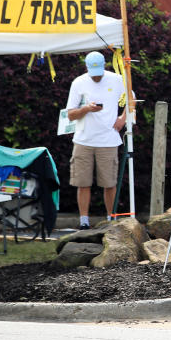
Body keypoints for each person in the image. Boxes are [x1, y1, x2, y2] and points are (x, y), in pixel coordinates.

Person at [66, 51, 127, 230]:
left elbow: (131, 101)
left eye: (99, 72)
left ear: (105, 66)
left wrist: (123, 119)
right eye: (94, 73)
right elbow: (70, 114)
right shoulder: (78, 82)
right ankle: (84, 221)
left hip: (108, 140)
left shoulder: (117, 79)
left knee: (109, 183)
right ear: (86, 68)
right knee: (82, 182)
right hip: (83, 140)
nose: (97, 76)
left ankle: (111, 219)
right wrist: (86, 109)